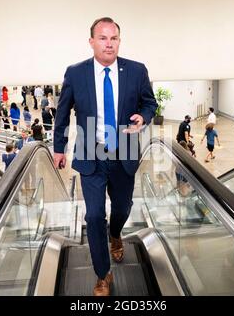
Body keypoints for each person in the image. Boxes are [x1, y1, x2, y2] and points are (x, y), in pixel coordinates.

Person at [53, 17, 157, 296]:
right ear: (92, 42)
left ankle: (116, 234)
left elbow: (150, 102)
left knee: (122, 208)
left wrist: (143, 116)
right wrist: (59, 147)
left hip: (124, 151)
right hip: (91, 153)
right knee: (95, 214)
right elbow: (62, 113)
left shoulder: (136, 71)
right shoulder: (76, 73)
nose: (109, 43)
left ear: (119, 41)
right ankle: (103, 273)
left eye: (114, 38)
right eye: (103, 38)